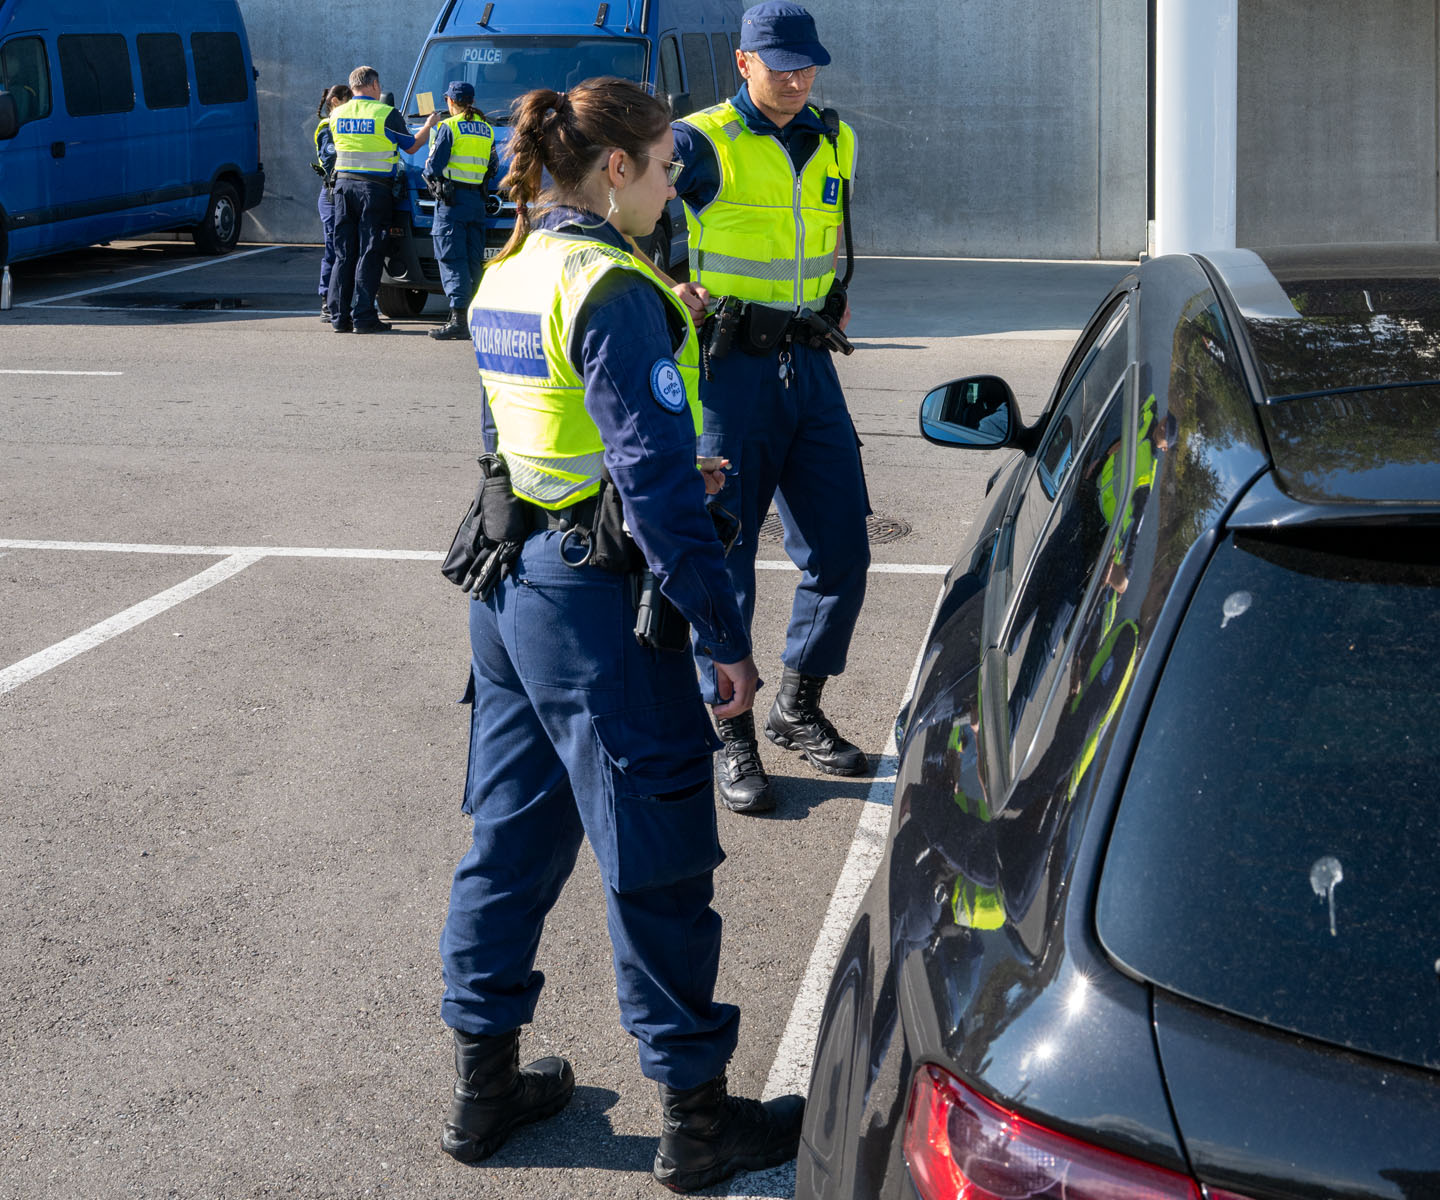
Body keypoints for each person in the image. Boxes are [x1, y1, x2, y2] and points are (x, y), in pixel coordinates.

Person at [436, 76, 804, 1193]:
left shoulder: (511, 264)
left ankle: (483, 1087)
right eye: (664, 167)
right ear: (615, 168)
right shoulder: (611, 286)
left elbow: (517, 432)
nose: (672, 187)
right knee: (656, 855)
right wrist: (724, 634)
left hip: (510, 588)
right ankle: (697, 1121)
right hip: (596, 607)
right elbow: (654, 485)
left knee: (509, 838)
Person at [670, 1, 870, 815]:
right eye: (780, 65)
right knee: (726, 560)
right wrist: (664, 286)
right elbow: (616, 209)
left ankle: (797, 705)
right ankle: (733, 730)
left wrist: (833, 296)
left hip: (809, 365)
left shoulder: (836, 136)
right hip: (727, 374)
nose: (796, 79)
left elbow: (822, 234)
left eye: (806, 64)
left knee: (843, 547)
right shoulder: (698, 140)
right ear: (743, 62)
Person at [326, 65, 440, 334]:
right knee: (370, 252)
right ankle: (364, 317)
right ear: (375, 85)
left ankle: (339, 318)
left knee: (344, 253)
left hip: (343, 187)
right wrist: (428, 125)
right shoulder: (386, 114)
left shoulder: (337, 114)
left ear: (352, 86)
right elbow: (411, 146)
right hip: (373, 190)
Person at [423, 81, 500, 340]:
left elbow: (432, 167)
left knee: (452, 258)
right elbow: (492, 167)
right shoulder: (487, 129)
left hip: (452, 203)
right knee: (472, 260)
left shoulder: (449, 127)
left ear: (450, 101)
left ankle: (458, 320)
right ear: (472, 101)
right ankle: (474, 317)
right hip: (476, 202)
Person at [313, 83, 351, 323]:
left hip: (344, 193)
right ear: (336, 101)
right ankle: (327, 300)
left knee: (346, 251)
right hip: (332, 194)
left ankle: (343, 299)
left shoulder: (342, 125)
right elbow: (330, 160)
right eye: (349, 100)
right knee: (333, 251)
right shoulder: (328, 127)